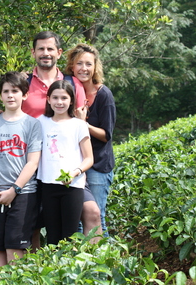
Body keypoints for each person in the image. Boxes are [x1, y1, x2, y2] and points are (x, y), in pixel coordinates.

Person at [0, 31, 102, 247]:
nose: (45, 53)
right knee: (33, 224)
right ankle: (38, 273)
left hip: (67, 169)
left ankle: (93, 267)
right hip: (31, 167)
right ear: (33, 52)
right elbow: (13, 106)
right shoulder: (24, 81)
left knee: (92, 213)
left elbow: (79, 120)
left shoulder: (72, 82)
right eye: (41, 49)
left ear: (58, 53)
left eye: (50, 49)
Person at [0, 71, 42, 268]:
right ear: (0, 95)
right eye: (6, 91)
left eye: (15, 91)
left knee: (15, 248)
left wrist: (14, 190)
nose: (10, 95)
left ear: (25, 95)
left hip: (23, 194)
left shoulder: (32, 124)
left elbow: (32, 162)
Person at [65, 43, 116, 238]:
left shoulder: (104, 95)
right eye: (79, 63)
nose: (84, 69)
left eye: (88, 64)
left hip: (98, 165)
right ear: (71, 66)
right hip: (75, 164)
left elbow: (106, 135)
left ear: (95, 67)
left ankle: (105, 262)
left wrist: (83, 124)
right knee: (78, 218)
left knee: (96, 216)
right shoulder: (68, 92)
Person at [37, 80, 94, 245]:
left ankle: (71, 269)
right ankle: (54, 269)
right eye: (55, 98)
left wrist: (75, 172)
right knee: (52, 236)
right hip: (47, 185)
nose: (59, 102)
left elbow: (89, 158)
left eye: (64, 98)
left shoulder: (79, 125)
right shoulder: (40, 122)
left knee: (70, 235)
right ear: (48, 99)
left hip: (72, 186)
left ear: (71, 101)